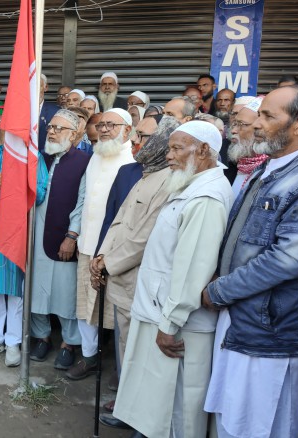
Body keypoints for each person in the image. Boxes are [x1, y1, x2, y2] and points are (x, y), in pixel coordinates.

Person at [203, 85, 298, 438]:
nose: (257, 123)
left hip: (272, 334)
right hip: (245, 320)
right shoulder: (269, 166)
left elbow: (286, 260)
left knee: (264, 427)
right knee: (234, 423)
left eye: (269, 116)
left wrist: (219, 290)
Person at [113, 121, 233, 437]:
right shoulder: (190, 184)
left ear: (204, 150)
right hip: (161, 313)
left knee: (178, 410)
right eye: (169, 148)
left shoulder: (205, 197)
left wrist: (170, 323)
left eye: (177, 148)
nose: (168, 156)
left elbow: (193, 266)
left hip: (177, 326)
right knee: (157, 408)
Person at [91, 116, 178, 428]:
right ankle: (127, 408)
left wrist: (109, 263)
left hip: (135, 279)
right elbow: (118, 220)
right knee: (124, 347)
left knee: (136, 350)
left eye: (146, 137)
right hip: (118, 277)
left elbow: (144, 237)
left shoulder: (169, 180)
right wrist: (101, 257)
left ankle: (135, 415)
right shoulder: (145, 174)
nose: (139, 141)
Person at [67, 108, 135, 381]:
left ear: (128, 130)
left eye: (111, 125)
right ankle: (89, 356)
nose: (104, 129)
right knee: (85, 306)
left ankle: (122, 369)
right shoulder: (96, 155)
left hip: (118, 250)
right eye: (102, 124)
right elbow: (84, 199)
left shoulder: (133, 160)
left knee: (119, 310)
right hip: (87, 243)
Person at [0, 124, 47, 367]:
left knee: (16, 289)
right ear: (1, 133)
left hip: (19, 230)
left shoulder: (32, 158)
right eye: (7, 130)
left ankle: (13, 341)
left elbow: (42, 190)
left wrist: (20, 186)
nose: (11, 135)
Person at [29, 110, 89, 369]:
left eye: (59, 128)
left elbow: (83, 201)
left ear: (74, 135)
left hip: (64, 237)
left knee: (66, 294)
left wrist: (71, 236)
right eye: (50, 127)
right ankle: (42, 337)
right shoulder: (39, 158)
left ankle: (69, 342)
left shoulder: (85, 161)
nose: (51, 132)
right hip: (36, 235)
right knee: (36, 290)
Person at [38, 74, 61, 157]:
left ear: (46, 87)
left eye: (38, 86)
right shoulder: (19, 112)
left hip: (47, 159)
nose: (34, 90)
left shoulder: (56, 111)